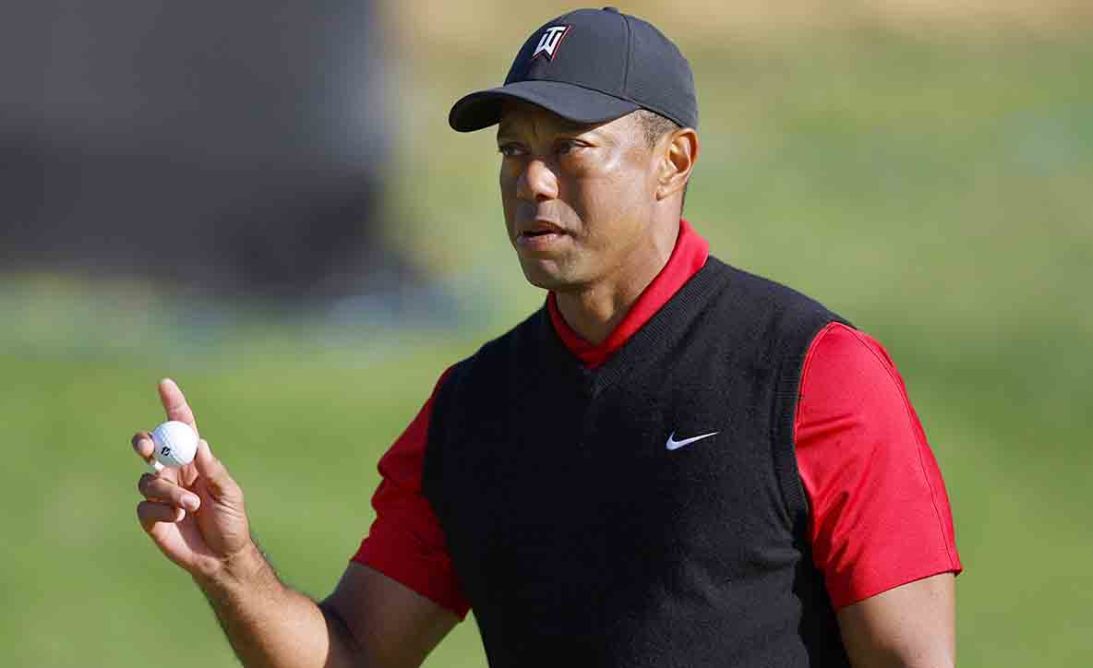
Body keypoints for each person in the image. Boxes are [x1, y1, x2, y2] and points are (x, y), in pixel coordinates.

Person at [130, 7, 961, 667]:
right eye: (514, 151)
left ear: (673, 160)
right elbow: (350, 656)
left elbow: (910, 658)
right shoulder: (472, 411)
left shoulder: (811, 372)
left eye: (571, 149)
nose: (532, 179)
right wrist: (232, 569)